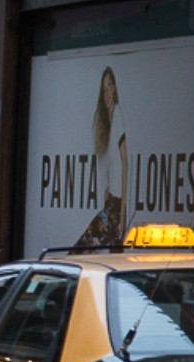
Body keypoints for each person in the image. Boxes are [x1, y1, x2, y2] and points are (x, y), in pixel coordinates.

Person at [75, 67, 129, 248]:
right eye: (103, 89)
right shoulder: (108, 122)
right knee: (110, 250)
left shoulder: (118, 115)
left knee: (88, 240)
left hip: (116, 206)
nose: (106, 93)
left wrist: (122, 213)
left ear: (114, 88)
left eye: (109, 86)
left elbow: (125, 162)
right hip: (111, 201)